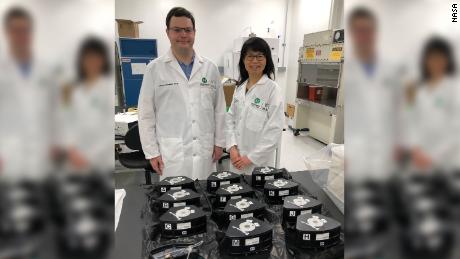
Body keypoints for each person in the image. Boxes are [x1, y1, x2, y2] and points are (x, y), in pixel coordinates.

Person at [138, 7, 226, 180]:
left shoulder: (210, 68)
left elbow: (220, 110)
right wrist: (151, 152)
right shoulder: (154, 69)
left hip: (205, 151)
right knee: (175, 200)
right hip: (172, 155)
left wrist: (219, 143)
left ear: (194, 32)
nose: (183, 35)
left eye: (188, 30)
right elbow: (146, 114)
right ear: (167, 33)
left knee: (204, 200)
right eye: (177, 30)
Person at [344, 7, 402, 180]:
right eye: (358, 31)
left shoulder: (392, 69)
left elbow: (402, 109)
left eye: (368, 30)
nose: (363, 36)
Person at [0, 7, 56, 179]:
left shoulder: (46, 70)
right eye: (16, 31)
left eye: (25, 30)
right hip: (8, 156)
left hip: (43, 155)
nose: (21, 36)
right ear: (7, 33)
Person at [225, 37, 284, 175]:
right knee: (236, 193)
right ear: (243, 61)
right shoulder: (239, 88)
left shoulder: (272, 90)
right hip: (236, 160)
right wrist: (232, 148)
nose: (255, 61)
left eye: (260, 56)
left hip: (258, 164)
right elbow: (229, 119)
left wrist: (251, 158)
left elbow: (274, 131)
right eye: (250, 57)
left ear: (267, 60)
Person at [61, 37, 113, 171]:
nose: (92, 62)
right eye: (88, 58)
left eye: (97, 58)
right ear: (81, 60)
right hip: (75, 157)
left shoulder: (108, 88)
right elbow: (68, 121)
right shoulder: (74, 89)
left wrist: (89, 156)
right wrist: (71, 149)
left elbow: (109, 129)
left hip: (100, 159)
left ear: (103, 60)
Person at [406, 37, 459, 170]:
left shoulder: (455, 88)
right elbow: (411, 120)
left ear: (447, 60)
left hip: (448, 161)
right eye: (432, 58)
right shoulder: (418, 89)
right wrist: (415, 149)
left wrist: (433, 157)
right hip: (420, 159)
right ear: (426, 60)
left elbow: (457, 128)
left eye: (441, 58)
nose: (436, 62)